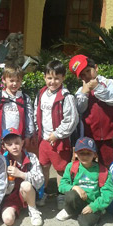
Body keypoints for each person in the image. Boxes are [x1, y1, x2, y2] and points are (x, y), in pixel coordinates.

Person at [34, 59, 79, 209]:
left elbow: (71, 120)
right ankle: (43, 192)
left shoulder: (66, 97)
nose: (53, 81)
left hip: (59, 141)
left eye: (57, 78)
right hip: (44, 140)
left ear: (63, 78)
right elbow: (37, 112)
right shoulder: (41, 93)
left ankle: (61, 195)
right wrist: (37, 130)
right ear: (44, 77)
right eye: (50, 78)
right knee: (43, 167)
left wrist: (57, 134)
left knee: (61, 170)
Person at [70, 54, 113, 167]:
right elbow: (79, 109)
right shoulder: (80, 91)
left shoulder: (109, 83)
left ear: (96, 68)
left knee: (110, 165)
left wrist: (98, 87)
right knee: (89, 166)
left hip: (110, 136)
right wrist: (84, 93)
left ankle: (111, 184)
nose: (87, 76)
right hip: (89, 137)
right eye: (83, 75)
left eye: (88, 71)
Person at [56, 137, 113, 226]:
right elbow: (62, 185)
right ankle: (70, 210)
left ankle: (89, 214)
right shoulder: (71, 167)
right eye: (81, 153)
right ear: (76, 154)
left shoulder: (103, 171)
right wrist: (75, 187)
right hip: (78, 199)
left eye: (89, 153)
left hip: (94, 202)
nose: (85, 156)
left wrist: (94, 206)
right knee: (71, 194)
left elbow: (108, 194)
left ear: (95, 154)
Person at [1, 127, 44, 226]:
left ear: (22, 143)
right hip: (10, 197)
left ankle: (33, 209)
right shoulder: (2, 160)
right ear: (3, 147)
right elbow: (3, 189)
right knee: (8, 220)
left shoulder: (31, 157)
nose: (14, 147)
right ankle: (16, 208)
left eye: (17, 143)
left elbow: (40, 181)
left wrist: (21, 174)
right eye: (9, 144)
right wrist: (11, 180)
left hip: (28, 194)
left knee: (26, 185)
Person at [0, 65, 35, 148]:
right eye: (11, 80)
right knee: (0, 159)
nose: (15, 84)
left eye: (18, 81)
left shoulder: (24, 98)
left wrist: (28, 136)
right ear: (4, 80)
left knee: (16, 160)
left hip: (18, 139)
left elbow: (30, 119)